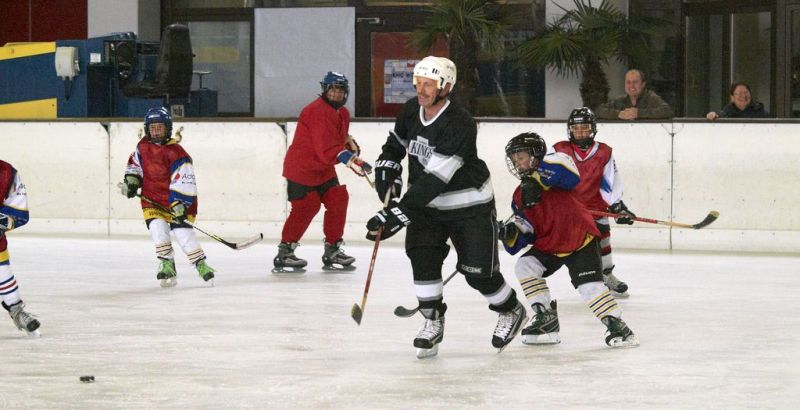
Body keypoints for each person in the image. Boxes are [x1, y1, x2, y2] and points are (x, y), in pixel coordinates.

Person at [367, 56, 526, 359]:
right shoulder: (411, 110)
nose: (421, 90)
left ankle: (511, 309)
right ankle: (432, 320)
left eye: (429, 84)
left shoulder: (460, 123)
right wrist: (386, 169)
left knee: (478, 274)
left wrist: (397, 213)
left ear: (446, 87)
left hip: (469, 206)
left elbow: (435, 180)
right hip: (425, 208)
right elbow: (395, 145)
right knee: (422, 257)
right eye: (418, 83)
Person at [498, 132, 638, 348]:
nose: (517, 164)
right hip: (552, 244)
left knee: (589, 287)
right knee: (525, 266)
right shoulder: (519, 196)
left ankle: (618, 326)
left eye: (521, 157)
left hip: (579, 238)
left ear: (536, 155)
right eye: (514, 160)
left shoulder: (555, 163)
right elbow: (526, 234)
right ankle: (546, 318)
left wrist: (537, 180)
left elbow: (571, 175)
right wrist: (508, 233)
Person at [271, 71, 371, 274]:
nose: (335, 94)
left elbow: (337, 139)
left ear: (346, 92)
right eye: (332, 89)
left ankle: (333, 250)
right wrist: (352, 160)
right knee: (307, 206)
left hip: (323, 169)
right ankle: (285, 252)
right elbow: (326, 148)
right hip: (302, 168)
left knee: (338, 199)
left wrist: (349, 146)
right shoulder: (315, 111)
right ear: (325, 90)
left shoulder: (342, 113)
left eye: (339, 90)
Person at [120, 107, 216, 288]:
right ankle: (167, 264)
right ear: (147, 129)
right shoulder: (142, 146)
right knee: (158, 230)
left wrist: (179, 203)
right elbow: (135, 166)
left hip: (177, 202)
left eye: (160, 128)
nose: (156, 131)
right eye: (153, 127)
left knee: (183, 233)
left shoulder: (177, 153)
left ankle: (200, 263)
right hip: (152, 199)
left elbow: (185, 180)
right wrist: (132, 182)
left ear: (168, 129)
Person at [553, 107, 634, 297]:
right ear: (570, 130)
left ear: (593, 129)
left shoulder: (604, 152)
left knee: (603, 238)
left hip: (595, 207)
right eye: (576, 128)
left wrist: (617, 206)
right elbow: (550, 177)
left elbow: (610, 181)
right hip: (569, 208)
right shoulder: (559, 149)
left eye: (584, 128)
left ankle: (607, 275)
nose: (580, 133)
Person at [0, 160, 41, 336]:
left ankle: (16, 310)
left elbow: (19, 213)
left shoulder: (6, 173)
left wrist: (4, 221)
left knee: (3, 273)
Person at [595, 69, 673, 120]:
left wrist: (639, 113)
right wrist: (618, 114)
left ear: (643, 84)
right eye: (628, 82)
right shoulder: (619, 100)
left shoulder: (651, 98)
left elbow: (667, 111)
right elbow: (599, 111)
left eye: (635, 82)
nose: (631, 86)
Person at [706, 82, 770, 120]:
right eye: (739, 93)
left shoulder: (760, 112)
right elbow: (717, 116)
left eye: (746, 92)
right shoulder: (727, 112)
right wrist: (712, 116)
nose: (743, 96)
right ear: (732, 97)